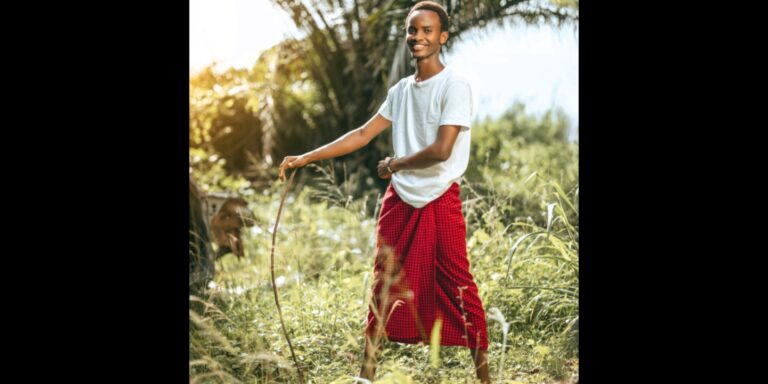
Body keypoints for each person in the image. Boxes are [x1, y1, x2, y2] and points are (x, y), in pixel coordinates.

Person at [278, 2, 490, 382]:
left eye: (427, 31)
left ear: (443, 37)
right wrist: (306, 157)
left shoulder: (455, 84)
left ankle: (486, 377)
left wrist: (394, 164)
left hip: (439, 198)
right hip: (399, 201)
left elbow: (442, 150)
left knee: (459, 286)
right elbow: (362, 134)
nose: (418, 37)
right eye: (412, 30)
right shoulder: (401, 90)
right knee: (384, 283)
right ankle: (366, 377)